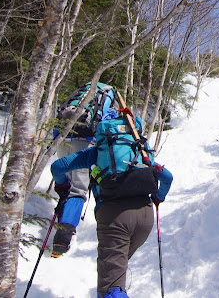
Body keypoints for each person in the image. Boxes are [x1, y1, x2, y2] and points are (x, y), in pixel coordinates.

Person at [51, 107, 173, 298]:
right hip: (145, 217)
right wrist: (158, 197)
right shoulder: (142, 151)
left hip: (114, 218)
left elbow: (58, 166)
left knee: (111, 288)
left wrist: (62, 185)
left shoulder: (97, 152)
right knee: (117, 270)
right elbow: (167, 178)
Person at [51, 83, 115, 257]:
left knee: (68, 184)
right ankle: (62, 239)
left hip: (62, 141)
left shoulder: (78, 98)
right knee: (78, 191)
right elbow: (106, 126)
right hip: (84, 143)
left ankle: (62, 217)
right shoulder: (103, 104)